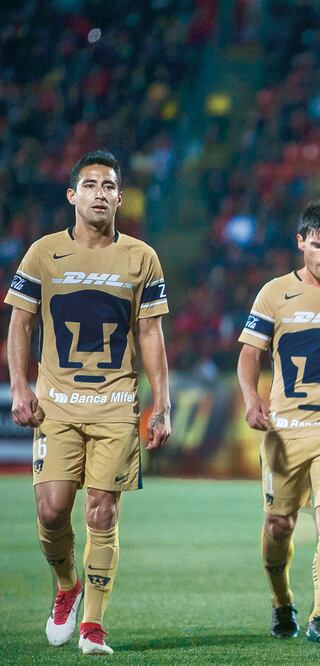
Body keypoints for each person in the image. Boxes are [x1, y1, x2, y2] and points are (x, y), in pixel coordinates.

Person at [5, 150, 172, 655]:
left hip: (117, 405)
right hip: (56, 405)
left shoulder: (141, 257)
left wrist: (160, 402)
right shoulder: (42, 254)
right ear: (72, 195)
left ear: (121, 197)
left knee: (102, 513)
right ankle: (66, 586)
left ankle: (93, 627)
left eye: (109, 185)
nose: (100, 192)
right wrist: (19, 385)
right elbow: (21, 323)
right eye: (91, 184)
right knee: (53, 510)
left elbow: (150, 332)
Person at [236, 200, 320, 644]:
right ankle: (282, 603)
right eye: (317, 246)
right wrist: (252, 398)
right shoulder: (274, 293)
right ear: (301, 243)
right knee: (279, 525)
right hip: (285, 431)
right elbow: (249, 355)